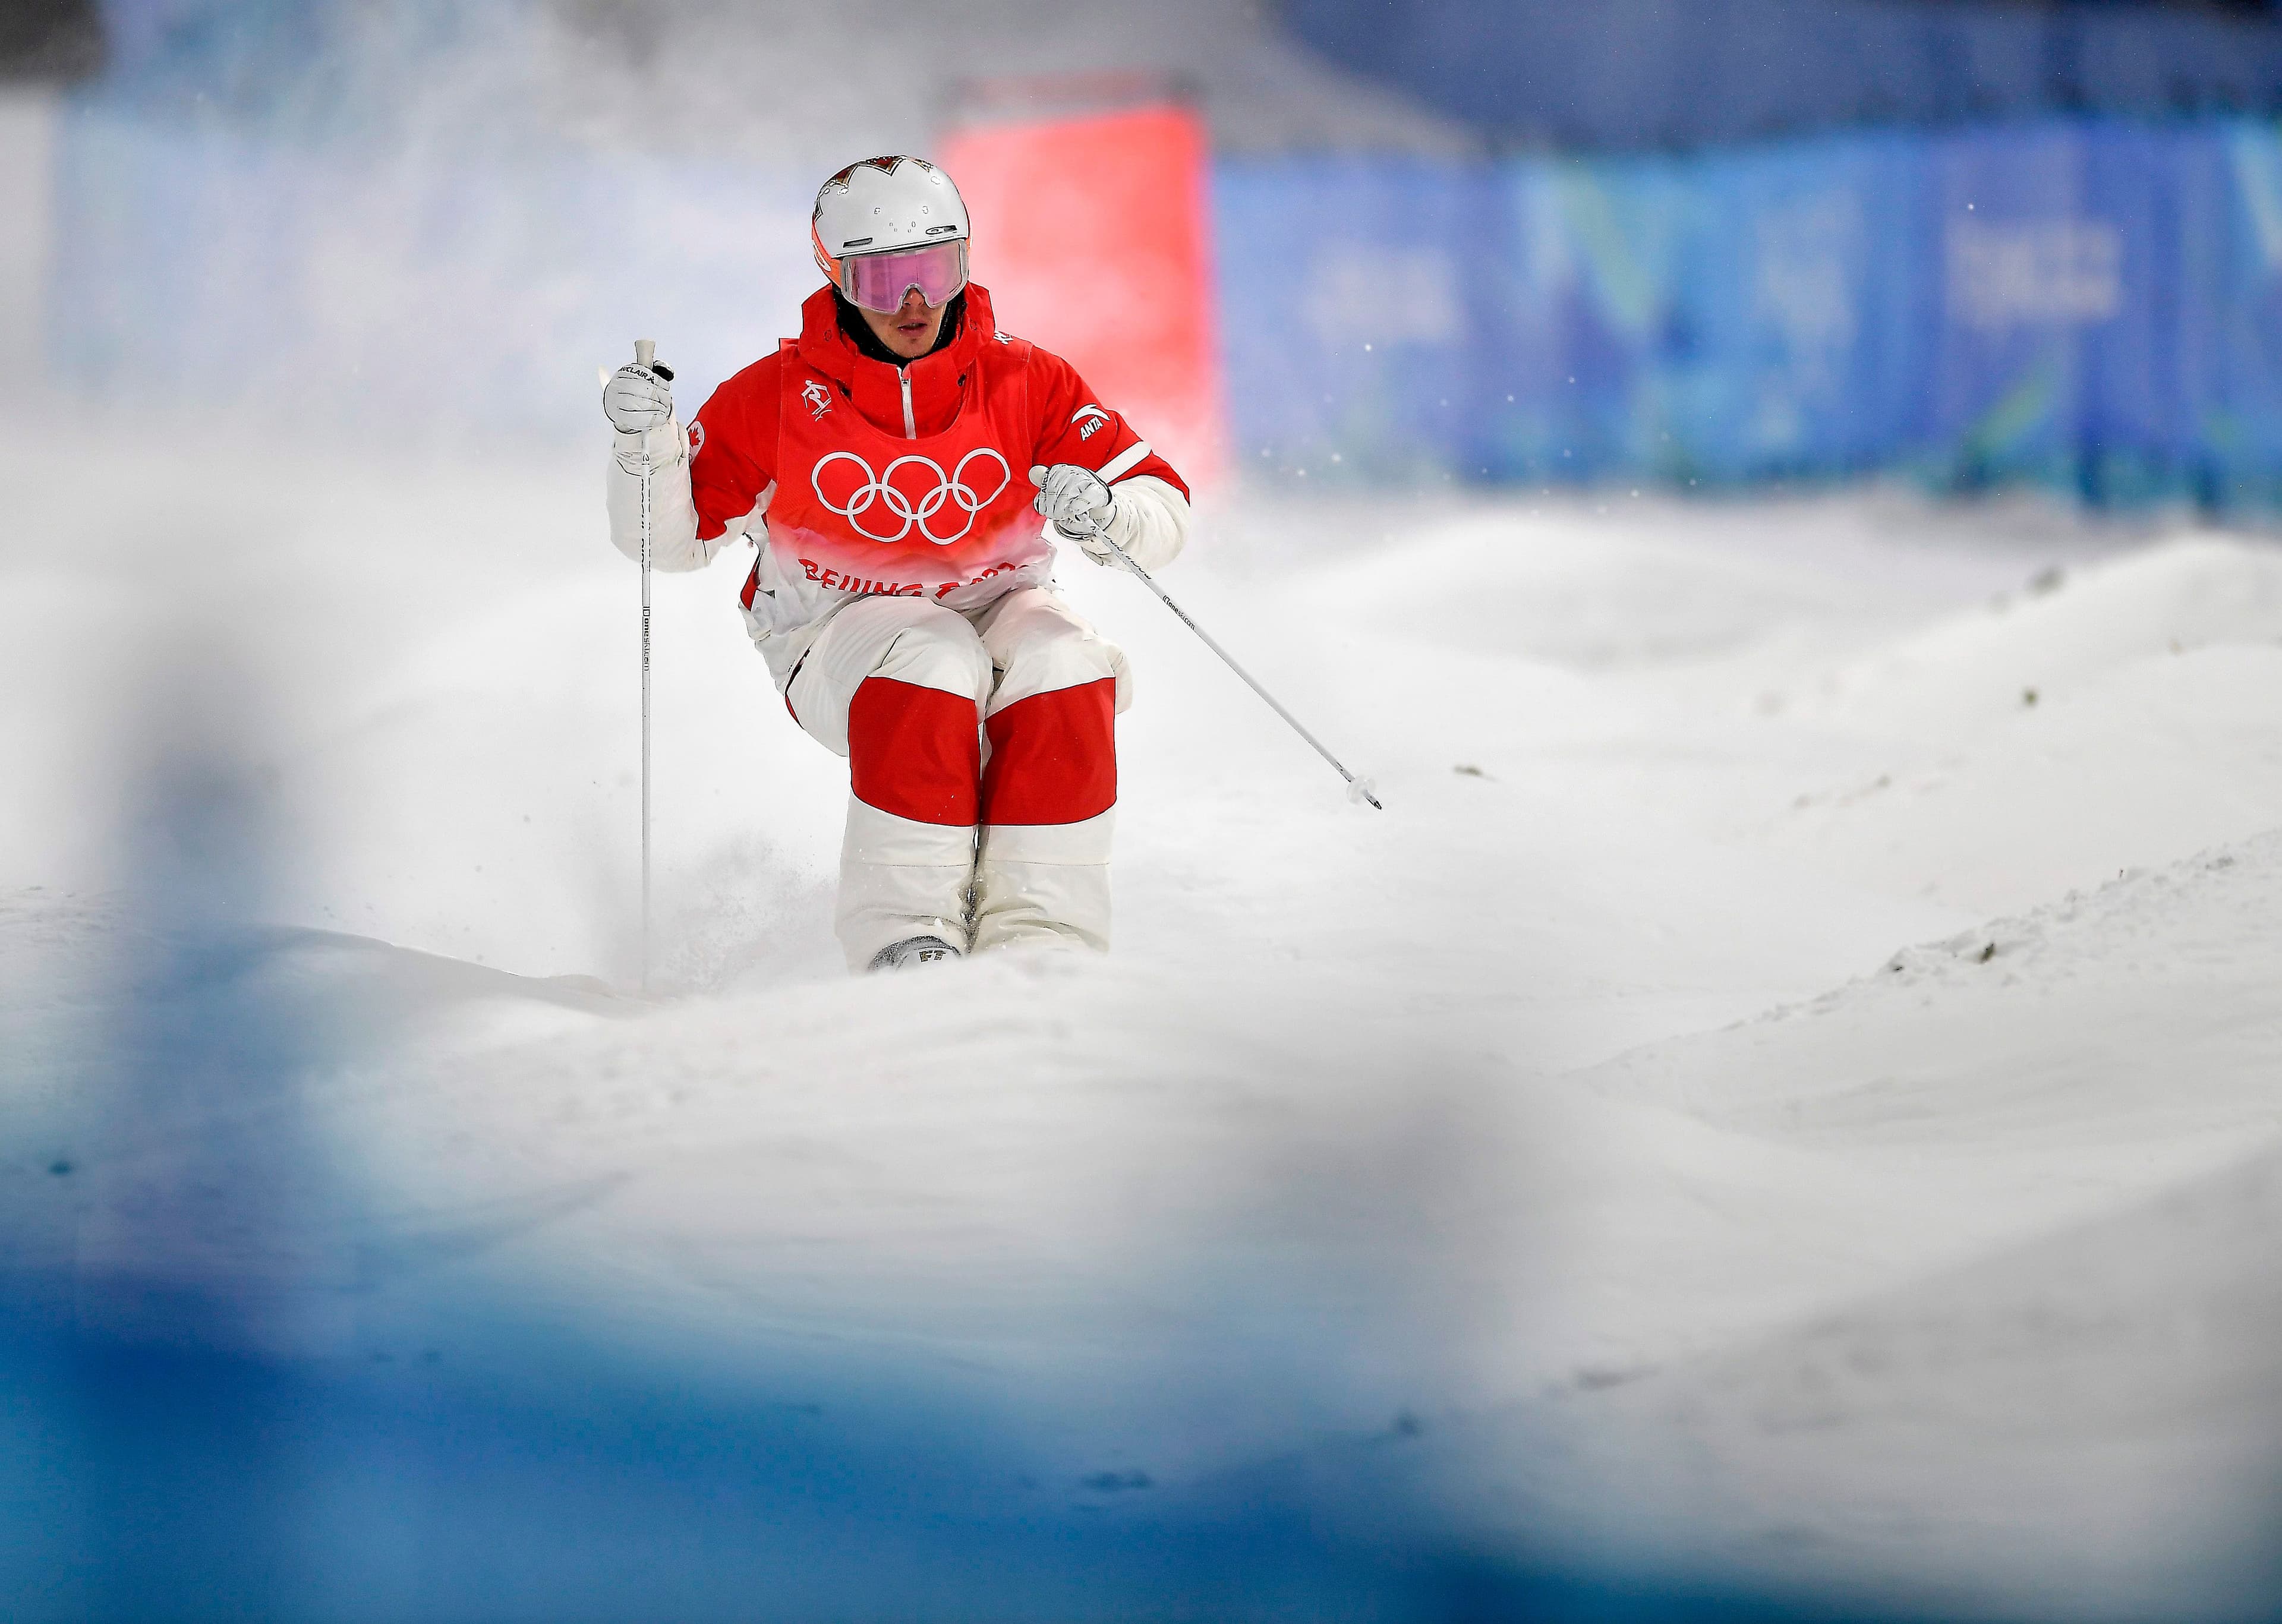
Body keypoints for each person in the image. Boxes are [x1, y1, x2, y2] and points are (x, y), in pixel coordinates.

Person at [600, 154, 1192, 972]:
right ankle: (905, 938)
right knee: (932, 653)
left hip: (1000, 608)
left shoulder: (1026, 380)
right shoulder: (774, 397)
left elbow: (1165, 507)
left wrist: (1109, 511)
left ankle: (1045, 941)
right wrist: (648, 449)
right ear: (837, 278)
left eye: (935, 269)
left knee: (1066, 659)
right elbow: (663, 544)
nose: (915, 303)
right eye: (884, 283)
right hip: (832, 635)